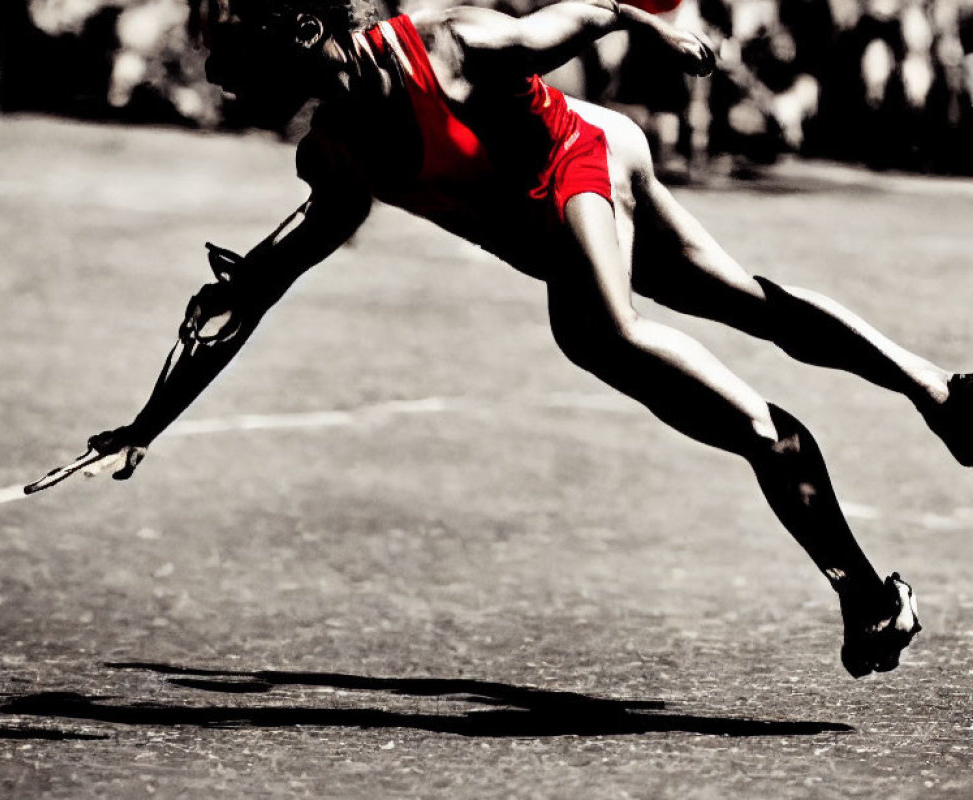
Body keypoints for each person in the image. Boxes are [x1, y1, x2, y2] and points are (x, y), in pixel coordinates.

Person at [54, 0, 970, 678]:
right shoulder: (336, 155)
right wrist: (148, 422)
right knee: (743, 301)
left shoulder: (445, 47)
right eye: (278, 93)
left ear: (314, 35)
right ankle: (924, 439)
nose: (295, 101)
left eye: (287, 75)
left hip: (586, 160)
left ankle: (786, 437)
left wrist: (658, 34)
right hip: (560, 224)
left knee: (602, 334)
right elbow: (253, 294)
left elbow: (588, 14)